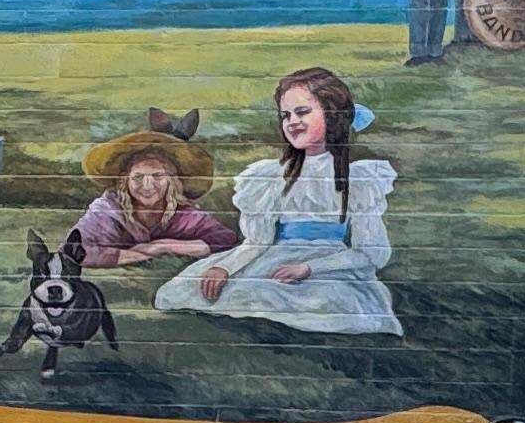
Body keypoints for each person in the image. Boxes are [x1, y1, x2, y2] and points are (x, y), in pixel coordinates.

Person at [162, 66, 400, 334]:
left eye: (302, 112)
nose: (292, 122)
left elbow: (371, 255)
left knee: (326, 300)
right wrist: (224, 267)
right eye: (286, 115)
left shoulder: (358, 180)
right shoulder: (272, 176)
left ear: (333, 115)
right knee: (210, 288)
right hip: (275, 258)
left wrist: (309, 268)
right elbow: (257, 242)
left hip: (328, 266)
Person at [74, 116, 237, 266]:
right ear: (125, 180)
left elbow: (223, 239)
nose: (147, 185)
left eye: (157, 176)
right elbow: (75, 249)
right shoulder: (108, 210)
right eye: (138, 177)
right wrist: (135, 255)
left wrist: (162, 245)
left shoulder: (183, 213)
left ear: (171, 180)